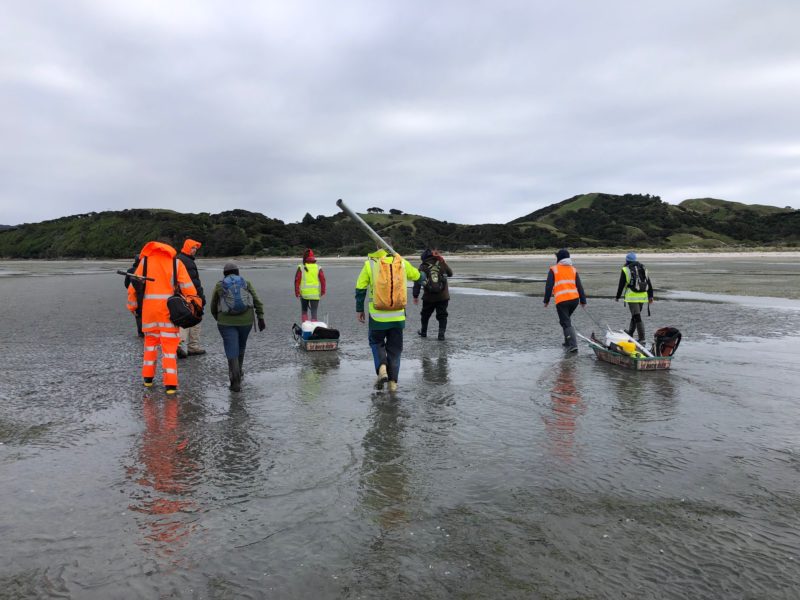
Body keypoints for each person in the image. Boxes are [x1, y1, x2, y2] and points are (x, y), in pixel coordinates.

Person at [127, 241, 199, 394]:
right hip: (168, 313)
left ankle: (148, 379)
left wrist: (132, 307)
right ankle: (170, 386)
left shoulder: (144, 262)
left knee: (150, 346)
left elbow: (133, 288)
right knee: (169, 350)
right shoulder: (176, 263)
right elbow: (188, 288)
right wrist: (193, 305)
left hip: (149, 313)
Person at [355, 239, 421, 392]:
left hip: (377, 315)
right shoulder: (402, 263)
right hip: (398, 316)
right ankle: (393, 383)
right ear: (393, 246)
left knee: (376, 343)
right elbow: (418, 276)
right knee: (395, 350)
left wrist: (360, 309)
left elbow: (360, 288)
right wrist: (425, 276)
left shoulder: (370, 264)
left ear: (377, 247)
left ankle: (382, 368)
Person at [210, 262, 265, 392]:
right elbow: (257, 300)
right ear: (238, 272)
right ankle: (239, 372)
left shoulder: (220, 285)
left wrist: (218, 318)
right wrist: (260, 317)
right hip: (246, 322)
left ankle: (235, 380)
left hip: (225, 322)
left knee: (231, 348)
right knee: (241, 346)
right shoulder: (246, 283)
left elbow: (213, 305)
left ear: (224, 274)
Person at [543, 248, 587, 352]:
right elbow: (579, 286)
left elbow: (549, 286)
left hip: (562, 300)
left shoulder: (554, 269)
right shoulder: (573, 269)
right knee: (565, 320)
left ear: (559, 258)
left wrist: (546, 300)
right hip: (574, 300)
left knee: (566, 322)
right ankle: (567, 342)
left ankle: (573, 345)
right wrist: (583, 300)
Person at [412, 248, 453, 340]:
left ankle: (423, 332)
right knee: (442, 315)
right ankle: (441, 335)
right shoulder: (441, 262)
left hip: (428, 297)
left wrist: (415, 295)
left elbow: (417, 281)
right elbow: (450, 273)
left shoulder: (423, 266)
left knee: (425, 315)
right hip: (443, 296)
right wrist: (443, 262)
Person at [176, 239, 206, 358]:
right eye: (192, 248)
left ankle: (182, 345)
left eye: (195, 248)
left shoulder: (180, 259)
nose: (194, 250)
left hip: (184, 296)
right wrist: (200, 297)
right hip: (191, 296)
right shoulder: (187, 261)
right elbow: (193, 282)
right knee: (193, 320)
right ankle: (192, 346)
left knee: (187, 320)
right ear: (187, 247)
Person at [615, 251, 654, 342]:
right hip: (643, 296)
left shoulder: (626, 269)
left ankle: (642, 337)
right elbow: (649, 282)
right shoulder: (643, 267)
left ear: (627, 260)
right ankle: (630, 332)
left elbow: (621, 284)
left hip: (632, 297)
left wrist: (617, 296)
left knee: (637, 316)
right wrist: (651, 296)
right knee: (635, 315)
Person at [294, 248, 326, 322]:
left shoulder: (301, 267)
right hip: (315, 294)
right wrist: (323, 291)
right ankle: (313, 327)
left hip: (304, 294)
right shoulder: (318, 267)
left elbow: (297, 280)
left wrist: (297, 292)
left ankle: (305, 326)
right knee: (314, 312)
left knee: (304, 311)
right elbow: (323, 280)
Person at [124, 254, 144, 337]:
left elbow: (126, 284)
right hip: (145, 294)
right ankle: (147, 331)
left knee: (138, 314)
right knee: (145, 313)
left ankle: (140, 332)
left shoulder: (130, 270)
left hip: (134, 295)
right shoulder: (146, 270)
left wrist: (131, 289)